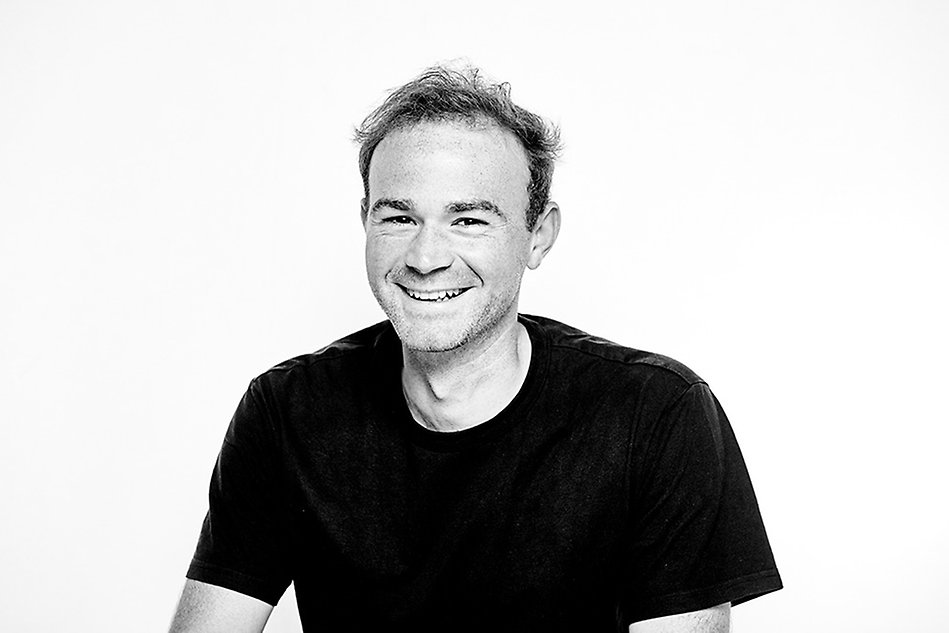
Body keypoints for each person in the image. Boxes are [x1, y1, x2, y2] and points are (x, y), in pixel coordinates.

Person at [169, 65, 782, 633]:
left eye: (468, 220)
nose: (426, 257)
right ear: (364, 223)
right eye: (398, 217)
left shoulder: (656, 415)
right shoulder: (286, 411)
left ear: (538, 237)